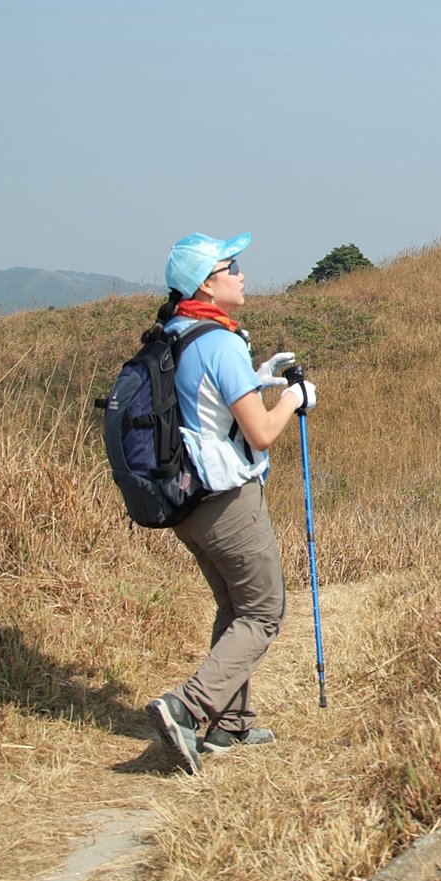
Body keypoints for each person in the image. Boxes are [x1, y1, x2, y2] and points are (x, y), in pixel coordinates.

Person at [144, 231, 318, 776]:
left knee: (234, 607)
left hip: (188, 499)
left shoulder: (178, 333)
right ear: (206, 284)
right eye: (231, 265)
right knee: (264, 611)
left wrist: (256, 378)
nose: (242, 274)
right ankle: (185, 708)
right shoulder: (219, 341)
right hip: (227, 501)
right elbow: (261, 432)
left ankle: (229, 724)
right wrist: (292, 397)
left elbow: (208, 407)